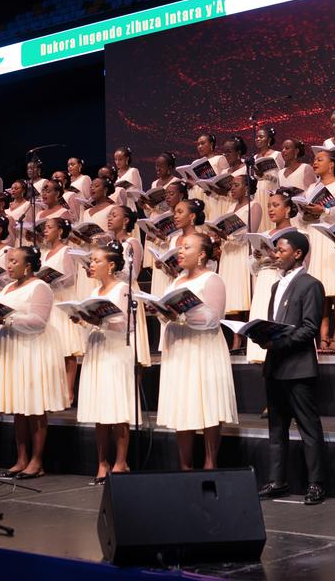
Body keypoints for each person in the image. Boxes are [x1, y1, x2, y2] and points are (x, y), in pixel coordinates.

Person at [156, 234, 238, 470]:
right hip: (179, 348)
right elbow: (164, 315)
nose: (180, 251)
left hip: (203, 348)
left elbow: (214, 319)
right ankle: (185, 465)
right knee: (183, 403)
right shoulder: (176, 281)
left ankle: (210, 463)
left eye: (186, 247)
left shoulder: (212, 279)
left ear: (201, 254)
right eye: (180, 247)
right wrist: (164, 313)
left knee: (208, 402)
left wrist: (182, 315)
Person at [258, 232, 327, 505]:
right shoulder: (276, 285)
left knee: (308, 428)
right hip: (275, 365)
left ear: (297, 254)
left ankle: (316, 483)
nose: (276, 254)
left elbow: (310, 328)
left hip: (299, 367)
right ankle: (277, 480)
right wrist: (262, 336)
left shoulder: (311, 284)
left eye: (281, 250)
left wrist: (278, 342)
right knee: (277, 427)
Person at [0, 246, 67, 479]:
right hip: (11, 350)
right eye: (8, 261)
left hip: (31, 350)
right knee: (19, 406)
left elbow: (38, 322)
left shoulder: (40, 286)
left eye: (14, 261)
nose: (9, 265)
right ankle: (21, 458)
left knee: (34, 406)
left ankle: (36, 460)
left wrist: (7, 319)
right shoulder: (7, 287)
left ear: (28, 265)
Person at [75, 244, 138, 483]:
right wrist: (81, 318)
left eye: (96, 261)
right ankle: (102, 463)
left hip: (115, 351)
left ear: (111, 265)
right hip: (97, 349)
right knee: (100, 408)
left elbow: (126, 325)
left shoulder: (123, 288)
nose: (91, 264)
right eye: (91, 260)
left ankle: (121, 462)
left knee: (117, 408)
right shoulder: (94, 292)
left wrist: (98, 321)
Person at [298, 150, 335, 353]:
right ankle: (323, 337)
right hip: (316, 238)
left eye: (320, 159)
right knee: (320, 292)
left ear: (331, 165)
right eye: (314, 159)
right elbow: (303, 219)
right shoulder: (312, 187)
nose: (315, 162)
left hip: (333, 238)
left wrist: (325, 210)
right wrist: (306, 213)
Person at [247, 187, 301, 365]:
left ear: (287, 209)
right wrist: (257, 257)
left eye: (276, 205)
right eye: (269, 206)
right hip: (263, 282)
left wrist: (276, 257)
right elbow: (253, 268)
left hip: (282, 281)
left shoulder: (298, 236)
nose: (270, 209)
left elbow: (302, 267)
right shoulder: (263, 235)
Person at [41, 218, 84, 405]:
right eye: (45, 227)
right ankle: (53, 391)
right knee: (52, 348)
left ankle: (68, 392)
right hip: (50, 301)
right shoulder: (45, 254)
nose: (45, 230)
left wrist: (54, 280)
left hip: (63, 300)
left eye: (49, 227)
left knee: (67, 346)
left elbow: (70, 278)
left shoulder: (65, 250)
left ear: (60, 231)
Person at [107, 205, 151, 367]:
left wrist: (113, 269)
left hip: (127, 292)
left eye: (114, 215)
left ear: (125, 220)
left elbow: (133, 274)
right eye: (109, 215)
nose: (109, 218)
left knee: (132, 345)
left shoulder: (132, 243)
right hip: (111, 292)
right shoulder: (109, 244)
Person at [218, 175, 262, 329]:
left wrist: (229, 235)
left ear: (247, 188)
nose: (232, 188)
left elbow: (250, 233)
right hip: (229, 253)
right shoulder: (230, 207)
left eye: (236, 185)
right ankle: (236, 335)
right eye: (232, 185)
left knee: (243, 292)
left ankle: (246, 331)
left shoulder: (254, 206)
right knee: (232, 294)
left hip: (243, 252)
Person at [6, 180, 36, 245]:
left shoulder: (28, 205)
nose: (13, 190)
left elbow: (30, 224)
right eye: (12, 188)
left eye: (16, 188)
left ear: (23, 191)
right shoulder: (7, 205)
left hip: (21, 239)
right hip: (8, 239)